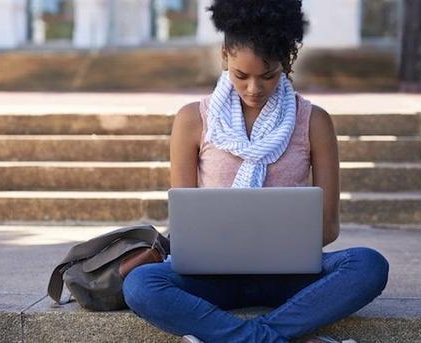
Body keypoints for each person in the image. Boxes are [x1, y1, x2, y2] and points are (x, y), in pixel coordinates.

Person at [121, 0, 390, 342]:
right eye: (241, 75)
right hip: (211, 278)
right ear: (224, 57)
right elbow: (185, 228)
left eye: (268, 75)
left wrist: (277, 242)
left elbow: (328, 228)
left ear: (287, 63)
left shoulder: (314, 121)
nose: (253, 88)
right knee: (141, 285)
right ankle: (277, 336)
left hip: (288, 277)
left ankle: (234, 336)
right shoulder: (192, 120)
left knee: (368, 265)